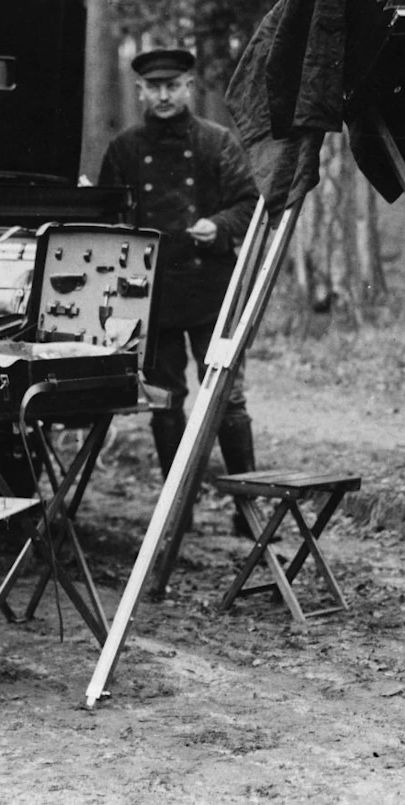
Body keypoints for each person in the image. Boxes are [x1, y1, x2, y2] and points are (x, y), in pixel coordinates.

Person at [98, 47, 261, 515]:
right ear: (140, 91)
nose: (164, 96)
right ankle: (176, 509)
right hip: (152, 295)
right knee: (164, 401)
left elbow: (251, 204)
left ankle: (248, 510)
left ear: (189, 87)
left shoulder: (217, 142)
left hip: (213, 288)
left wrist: (220, 226)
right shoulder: (124, 149)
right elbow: (110, 224)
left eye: (173, 86)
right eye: (155, 88)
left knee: (228, 396)